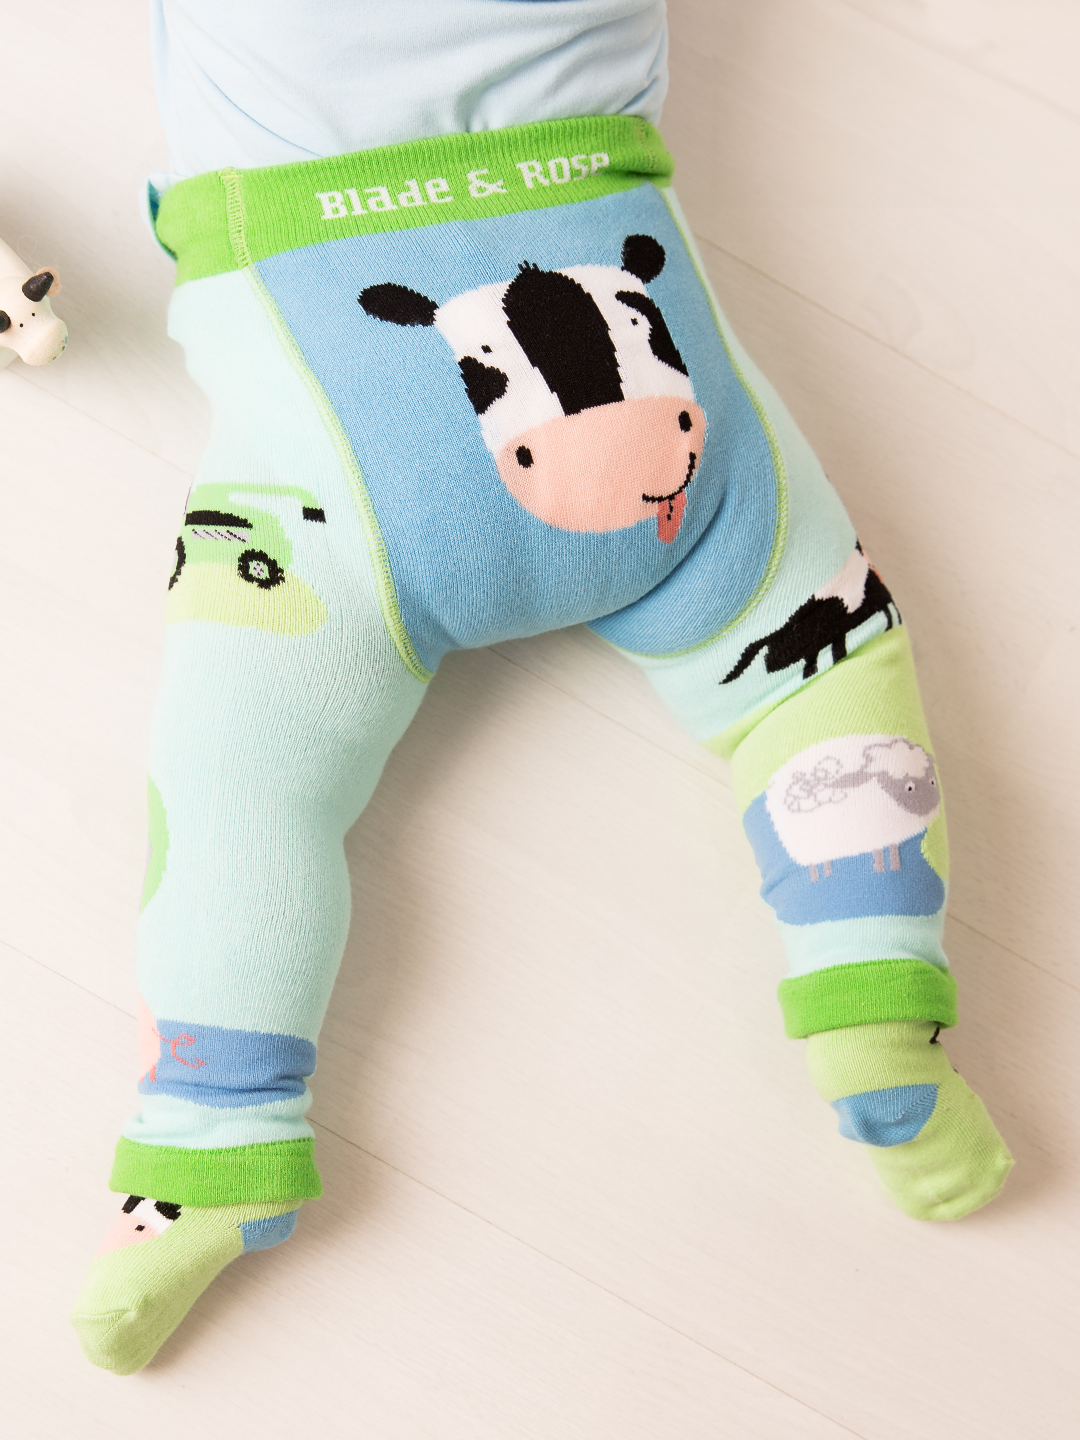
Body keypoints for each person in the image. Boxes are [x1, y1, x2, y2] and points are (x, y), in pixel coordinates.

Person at [71, 0, 1012, 1375]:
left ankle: (213, 1141)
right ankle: (878, 1007)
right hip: (644, 334)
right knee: (821, 677)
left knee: (242, 789)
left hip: (346, 424)